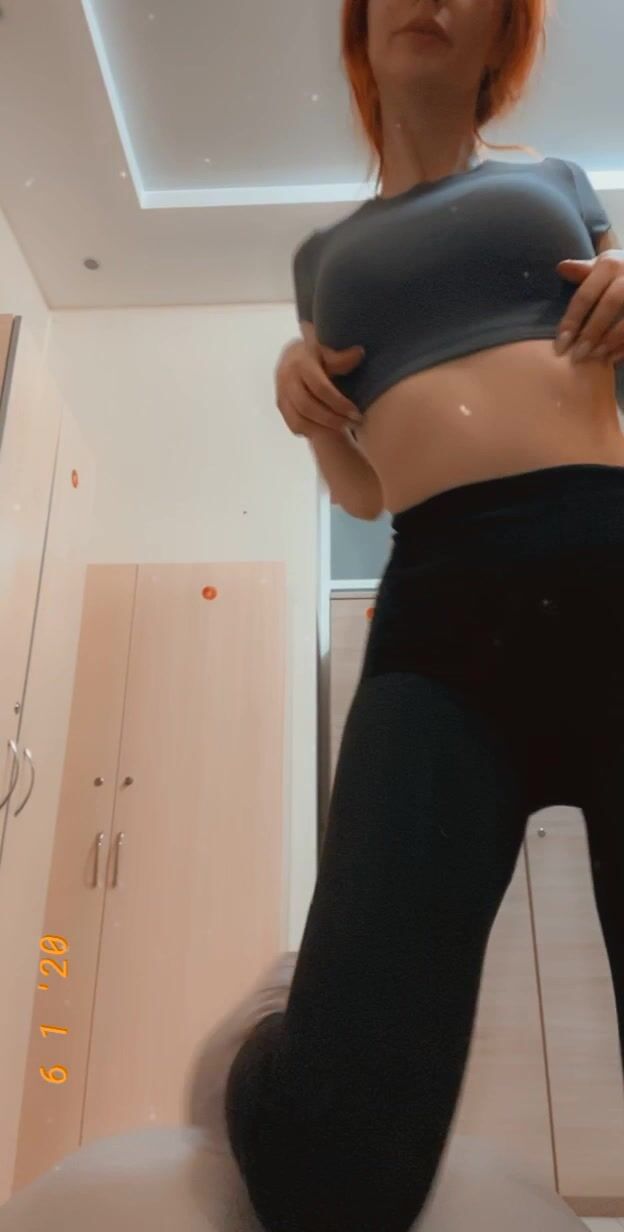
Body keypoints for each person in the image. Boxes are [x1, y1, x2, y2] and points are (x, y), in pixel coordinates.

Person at [190, 3, 624, 1231]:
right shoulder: (324, 258)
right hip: (443, 615)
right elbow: (364, 491)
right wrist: (306, 404)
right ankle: (277, 1044)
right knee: (330, 1172)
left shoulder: (557, 181)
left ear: (502, 40)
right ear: (363, 28)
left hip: (610, 561)